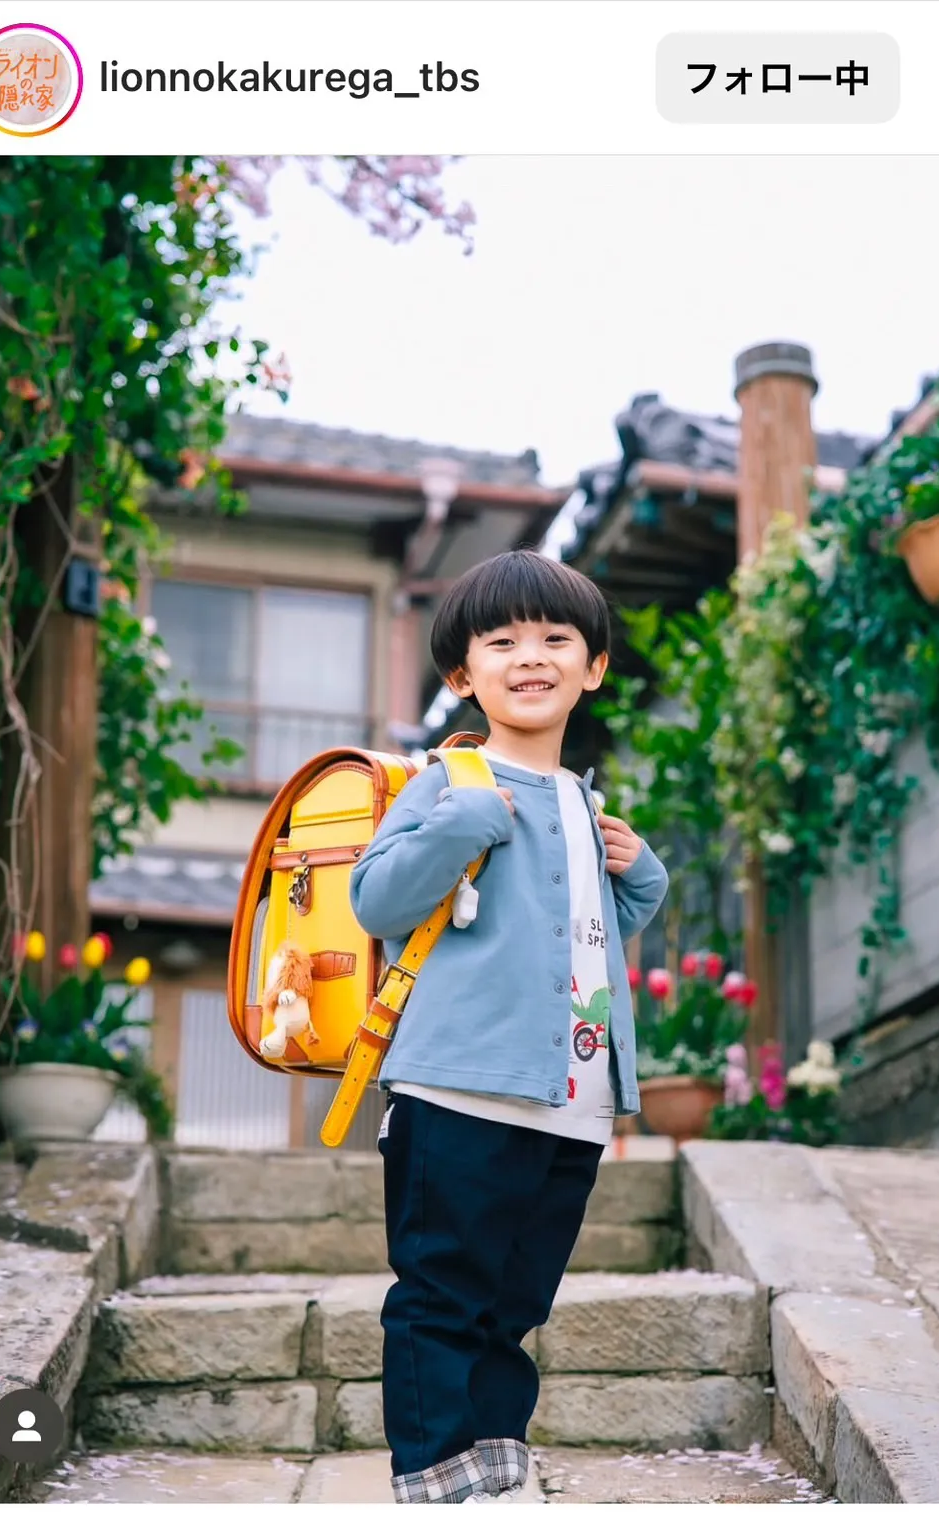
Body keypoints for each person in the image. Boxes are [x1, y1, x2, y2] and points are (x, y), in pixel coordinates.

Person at [350, 549, 669, 1504]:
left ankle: (495, 1467)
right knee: (443, 1294)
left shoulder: (584, 798)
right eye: (503, 642)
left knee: (516, 1304)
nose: (530, 657)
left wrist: (640, 872)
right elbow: (376, 899)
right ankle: (433, 1478)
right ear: (463, 675)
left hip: (569, 1100)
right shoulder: (450, 779)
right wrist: (462, 823)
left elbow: (579, 928)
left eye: (555, 638)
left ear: (593, 666)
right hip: (458, 1086)